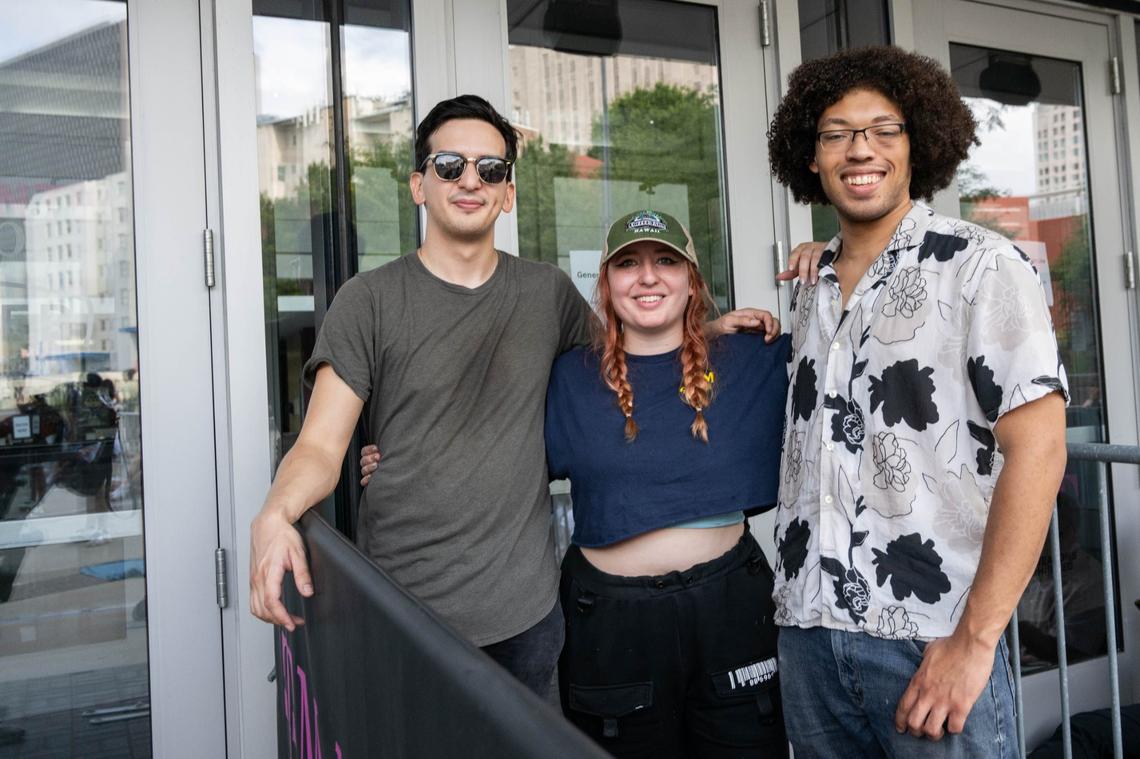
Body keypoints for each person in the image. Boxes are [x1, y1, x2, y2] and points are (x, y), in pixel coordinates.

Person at [249, 94, 767, 697]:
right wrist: (276, 513)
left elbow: (627, 359)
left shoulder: (545, 294)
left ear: (509, 193)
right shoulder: (368, 300)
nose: (471, 180)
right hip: (407, 612)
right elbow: (318, 445)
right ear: (419, 185)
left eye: (490, 169)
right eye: (450, 166)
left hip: (526, 617)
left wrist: (707, 333)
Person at [767, 45, 1069, 757]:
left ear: (919, 142)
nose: (858, 149)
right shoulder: (811, 287)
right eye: (836, 132)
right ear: (810, 157)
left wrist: (975, 639)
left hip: (929, 643)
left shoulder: (982, 265)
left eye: (883, 129)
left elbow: (1042, 448)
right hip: (810, 640)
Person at [546, 210, 789, 757]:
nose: (648, 277)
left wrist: (833, 256)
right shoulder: (568, 379)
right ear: (606, 285)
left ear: (691, 280)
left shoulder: (754, 357)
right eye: (628, 264)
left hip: (733, 609)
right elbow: (496, 455)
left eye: (666, 261)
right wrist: (387, 459)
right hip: (610, 623)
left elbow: (863, 364)